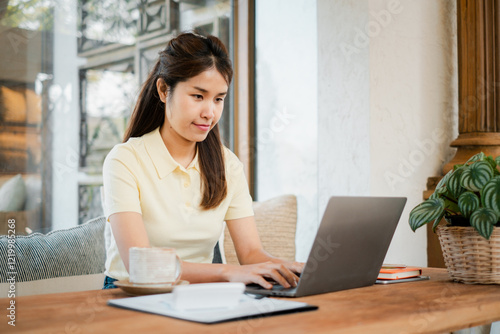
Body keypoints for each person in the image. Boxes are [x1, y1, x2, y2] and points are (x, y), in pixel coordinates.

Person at [102, 32, 303, 290]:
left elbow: (252, 254)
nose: (210, 113)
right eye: (198, 96)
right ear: (164, 90)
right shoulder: (125, 160)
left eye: (218, 99)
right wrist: (227, 273)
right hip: (132, 296)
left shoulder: (227, 165)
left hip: (200, 296)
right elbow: (142, 266)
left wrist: (295, 269)